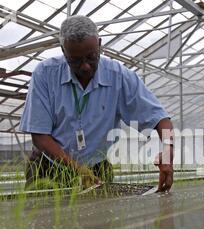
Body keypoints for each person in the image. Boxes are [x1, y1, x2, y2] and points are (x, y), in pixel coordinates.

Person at [19, 15, 174, 192]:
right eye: (75, 60)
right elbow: (39, 136)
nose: (85, 66)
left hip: (97, 166)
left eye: (91, 57)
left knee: (100, 218)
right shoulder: (45, 74)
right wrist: (78, 170)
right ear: (63, 51)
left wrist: (168, 153)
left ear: (99, 44)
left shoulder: (119, 76)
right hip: (49, 166)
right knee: (42, 217)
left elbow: (161, 119)